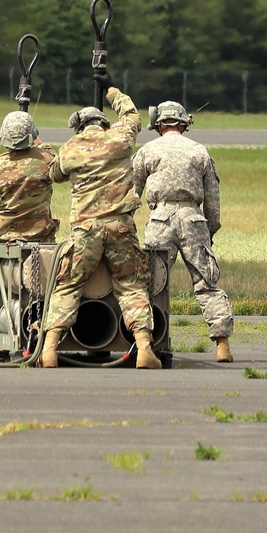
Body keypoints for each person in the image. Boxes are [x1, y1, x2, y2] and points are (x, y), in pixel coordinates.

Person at [41, 79, 161, 370]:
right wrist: (113, 92)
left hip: (85, 230)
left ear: (79, 127)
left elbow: (54, 175)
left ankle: (49, 349)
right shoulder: (119, 137)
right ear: (103, 123)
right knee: (132, 285)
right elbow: (133, 116)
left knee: (68, 285)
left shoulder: (71, 147)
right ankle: (144, 349)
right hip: (121, 226)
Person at [133, 100, 234, 363]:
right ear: (182, 123)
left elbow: (131, 194)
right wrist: (208, 231)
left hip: (159, 220)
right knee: (207, 282)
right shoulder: (199, 151)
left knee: (150, 284)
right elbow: (213, 201)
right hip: (193, 219)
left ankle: (148, 345)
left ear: (158, 124)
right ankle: (222, 345)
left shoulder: (147, 150)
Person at [0, 112, 59, 242]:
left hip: (2, 238)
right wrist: (39, 145)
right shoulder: (45, 160)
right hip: (39, 237)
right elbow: (60, 169)